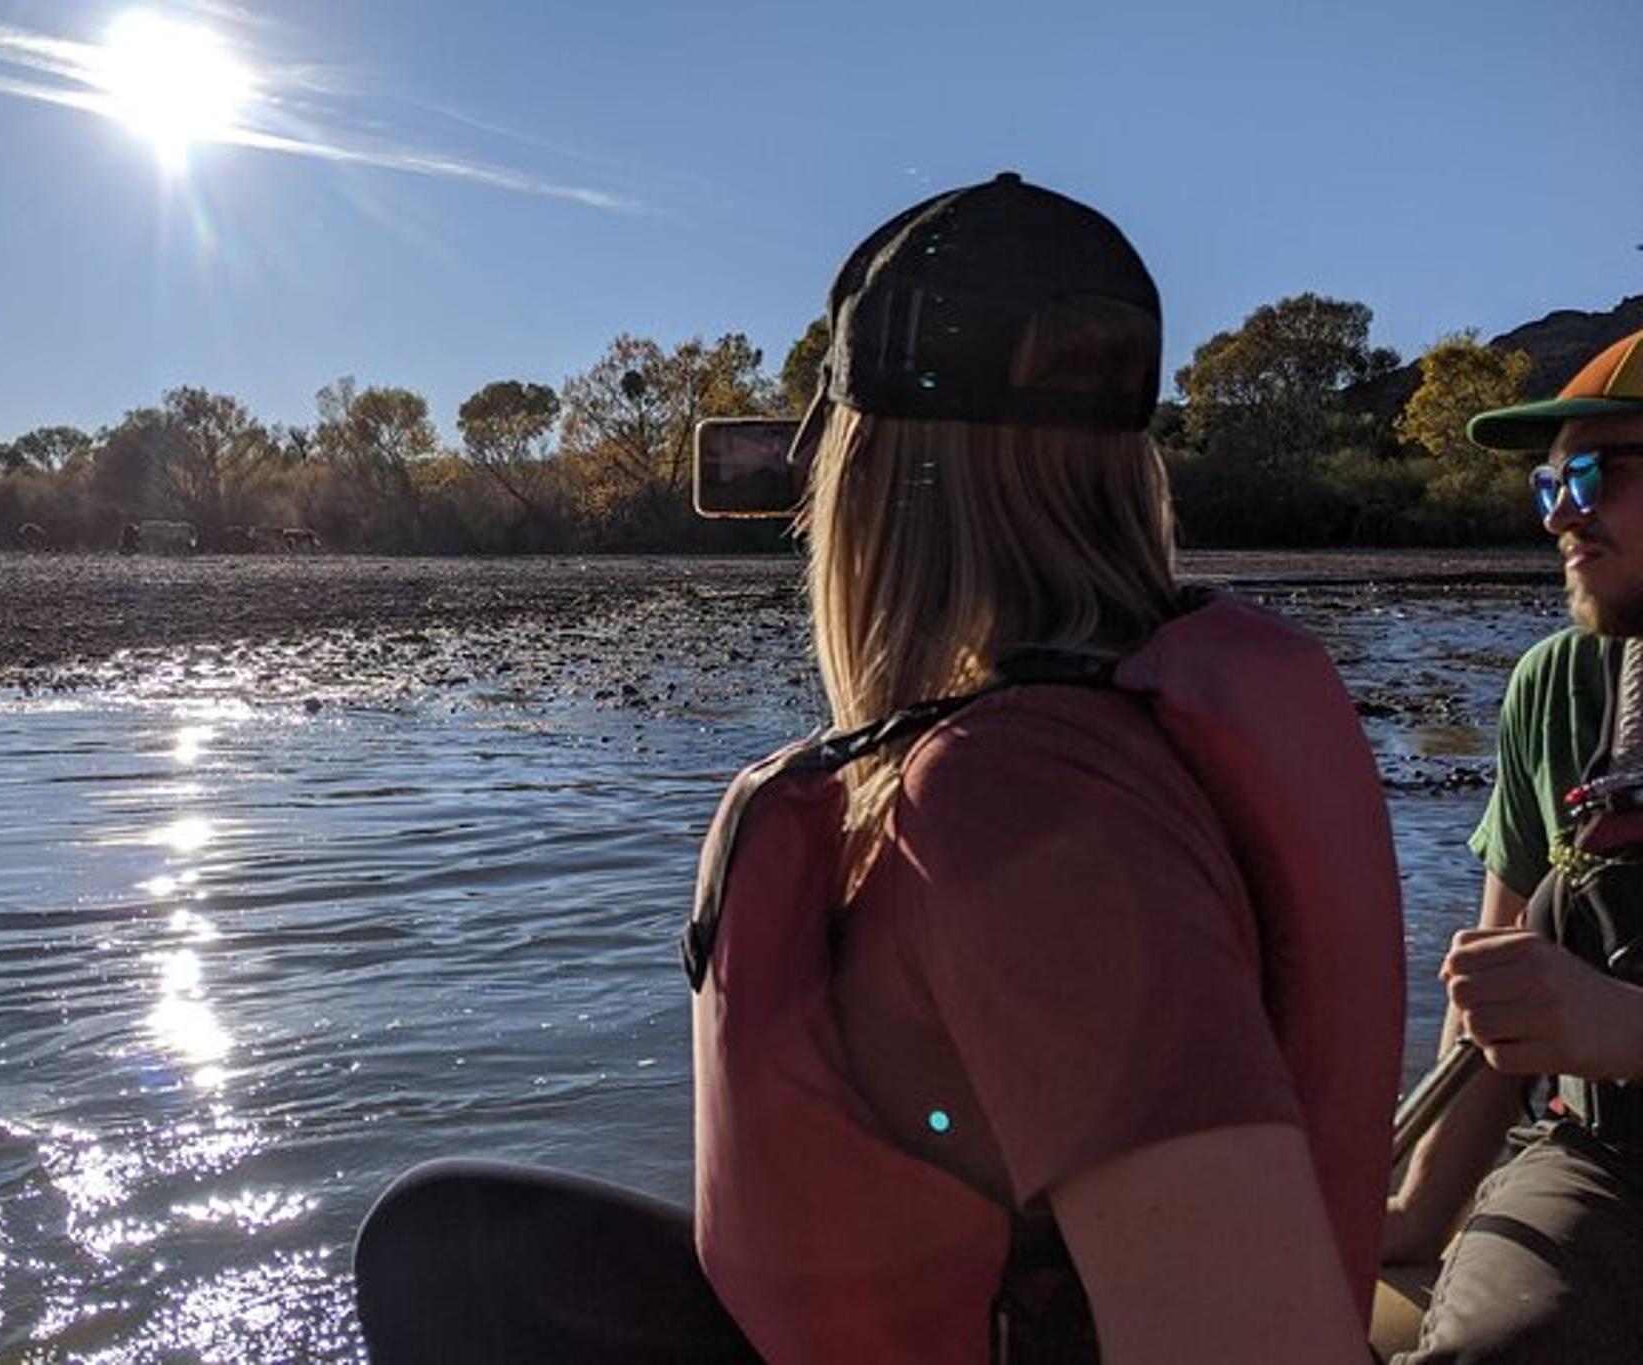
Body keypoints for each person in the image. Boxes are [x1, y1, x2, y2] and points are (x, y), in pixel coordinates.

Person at [353, 174, 1404, 1364]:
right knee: (459, 1250)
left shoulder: (1017, 806)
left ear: (859, 476)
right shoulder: (1103, 734)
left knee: (444, 1267)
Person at [1384, 327, 1643, 1363]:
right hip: (1603, 1163)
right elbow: (1493, 1007)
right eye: (1548, 484)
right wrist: (1407, 1219)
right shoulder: (1554, 686)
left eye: (1595, 473)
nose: (1561, 514)